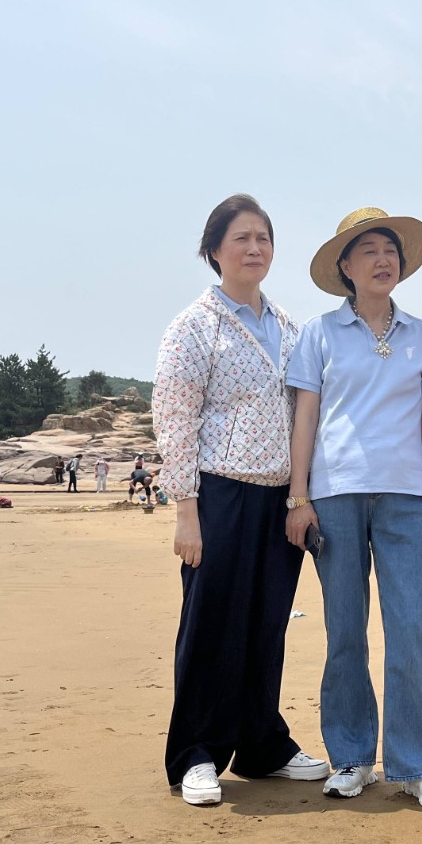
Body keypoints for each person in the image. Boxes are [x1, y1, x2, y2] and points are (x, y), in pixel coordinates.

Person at [153, 193, 330, 806]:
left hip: (281, 498)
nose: (255, 248)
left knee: (266, 624)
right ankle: (197, 753)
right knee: (210, 625)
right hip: (219, 494)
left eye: (263, 238)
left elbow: (308, 409)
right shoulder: (194, 326)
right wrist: (186, 511)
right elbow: (174, 419)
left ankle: (261, 745)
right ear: (214, 250)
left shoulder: (289, 327)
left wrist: (302, 496)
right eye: (241, 239)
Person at [286, 207, 422, 810]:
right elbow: (305, 417)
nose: (383, 260)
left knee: (410, 628)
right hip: (335, 493)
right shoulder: (318, 334)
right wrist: (299, 497)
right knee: (344, 629)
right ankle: (352, 756)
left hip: (405, 495)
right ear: (345, 266)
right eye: (368, 251)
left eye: (391, 250)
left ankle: (419, 764)